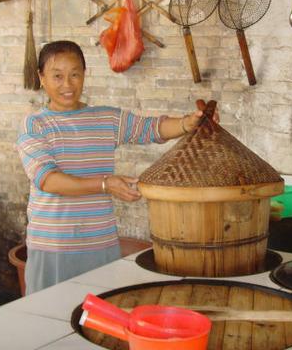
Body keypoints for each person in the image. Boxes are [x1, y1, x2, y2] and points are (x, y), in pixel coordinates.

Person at [16, 40, 216, 294]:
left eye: (75, 74)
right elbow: (49, 181)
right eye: (57, 76)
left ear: (84, 75)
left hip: (100, 244)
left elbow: (152, 128)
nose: (67, 85)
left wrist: (189, 124)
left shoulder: (106, 118)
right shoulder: (35, 125)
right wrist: (105, 184)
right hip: (53, 246)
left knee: (99, 320)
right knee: (47, 321)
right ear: (41, 78)